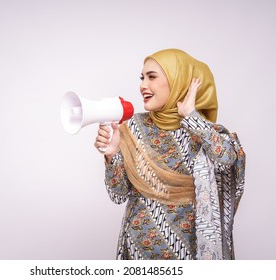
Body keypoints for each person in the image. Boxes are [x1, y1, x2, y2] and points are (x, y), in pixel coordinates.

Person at [94, 49, 246, 260]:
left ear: (178, 81)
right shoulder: (132, 127)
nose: (142, 85)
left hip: (189, 252)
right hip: (138, 251)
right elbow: (118, 195)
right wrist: (111, 155)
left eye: (152, 76)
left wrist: (192, 118)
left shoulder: (203, 132)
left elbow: (227, 159)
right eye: (142, 77)